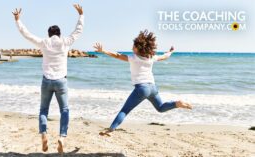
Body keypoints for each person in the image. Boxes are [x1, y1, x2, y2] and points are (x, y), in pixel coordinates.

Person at [12, 4, 84, 153]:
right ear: (59, 33)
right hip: (61, 81)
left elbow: (27, 34)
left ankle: (44, 134)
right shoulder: (65, 42)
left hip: (46, 80)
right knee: (64, 110)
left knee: (43, 110)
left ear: (49, 34)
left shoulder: (44, 43)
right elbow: (78, 31)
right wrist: (81, 15)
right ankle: (62, 137)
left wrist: (18, 20)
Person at [94, 30, 192, 136]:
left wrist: (103, 51)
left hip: (142, 88)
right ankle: (177, 103)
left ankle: (111, 129)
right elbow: (164, 56)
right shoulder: (151, 58)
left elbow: (117, 55)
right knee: (160, 107)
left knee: (125, 110)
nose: (132, 47)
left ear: (138, 48)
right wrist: (171, 52)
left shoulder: (133, 58)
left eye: (134, 46)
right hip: (153, 88)